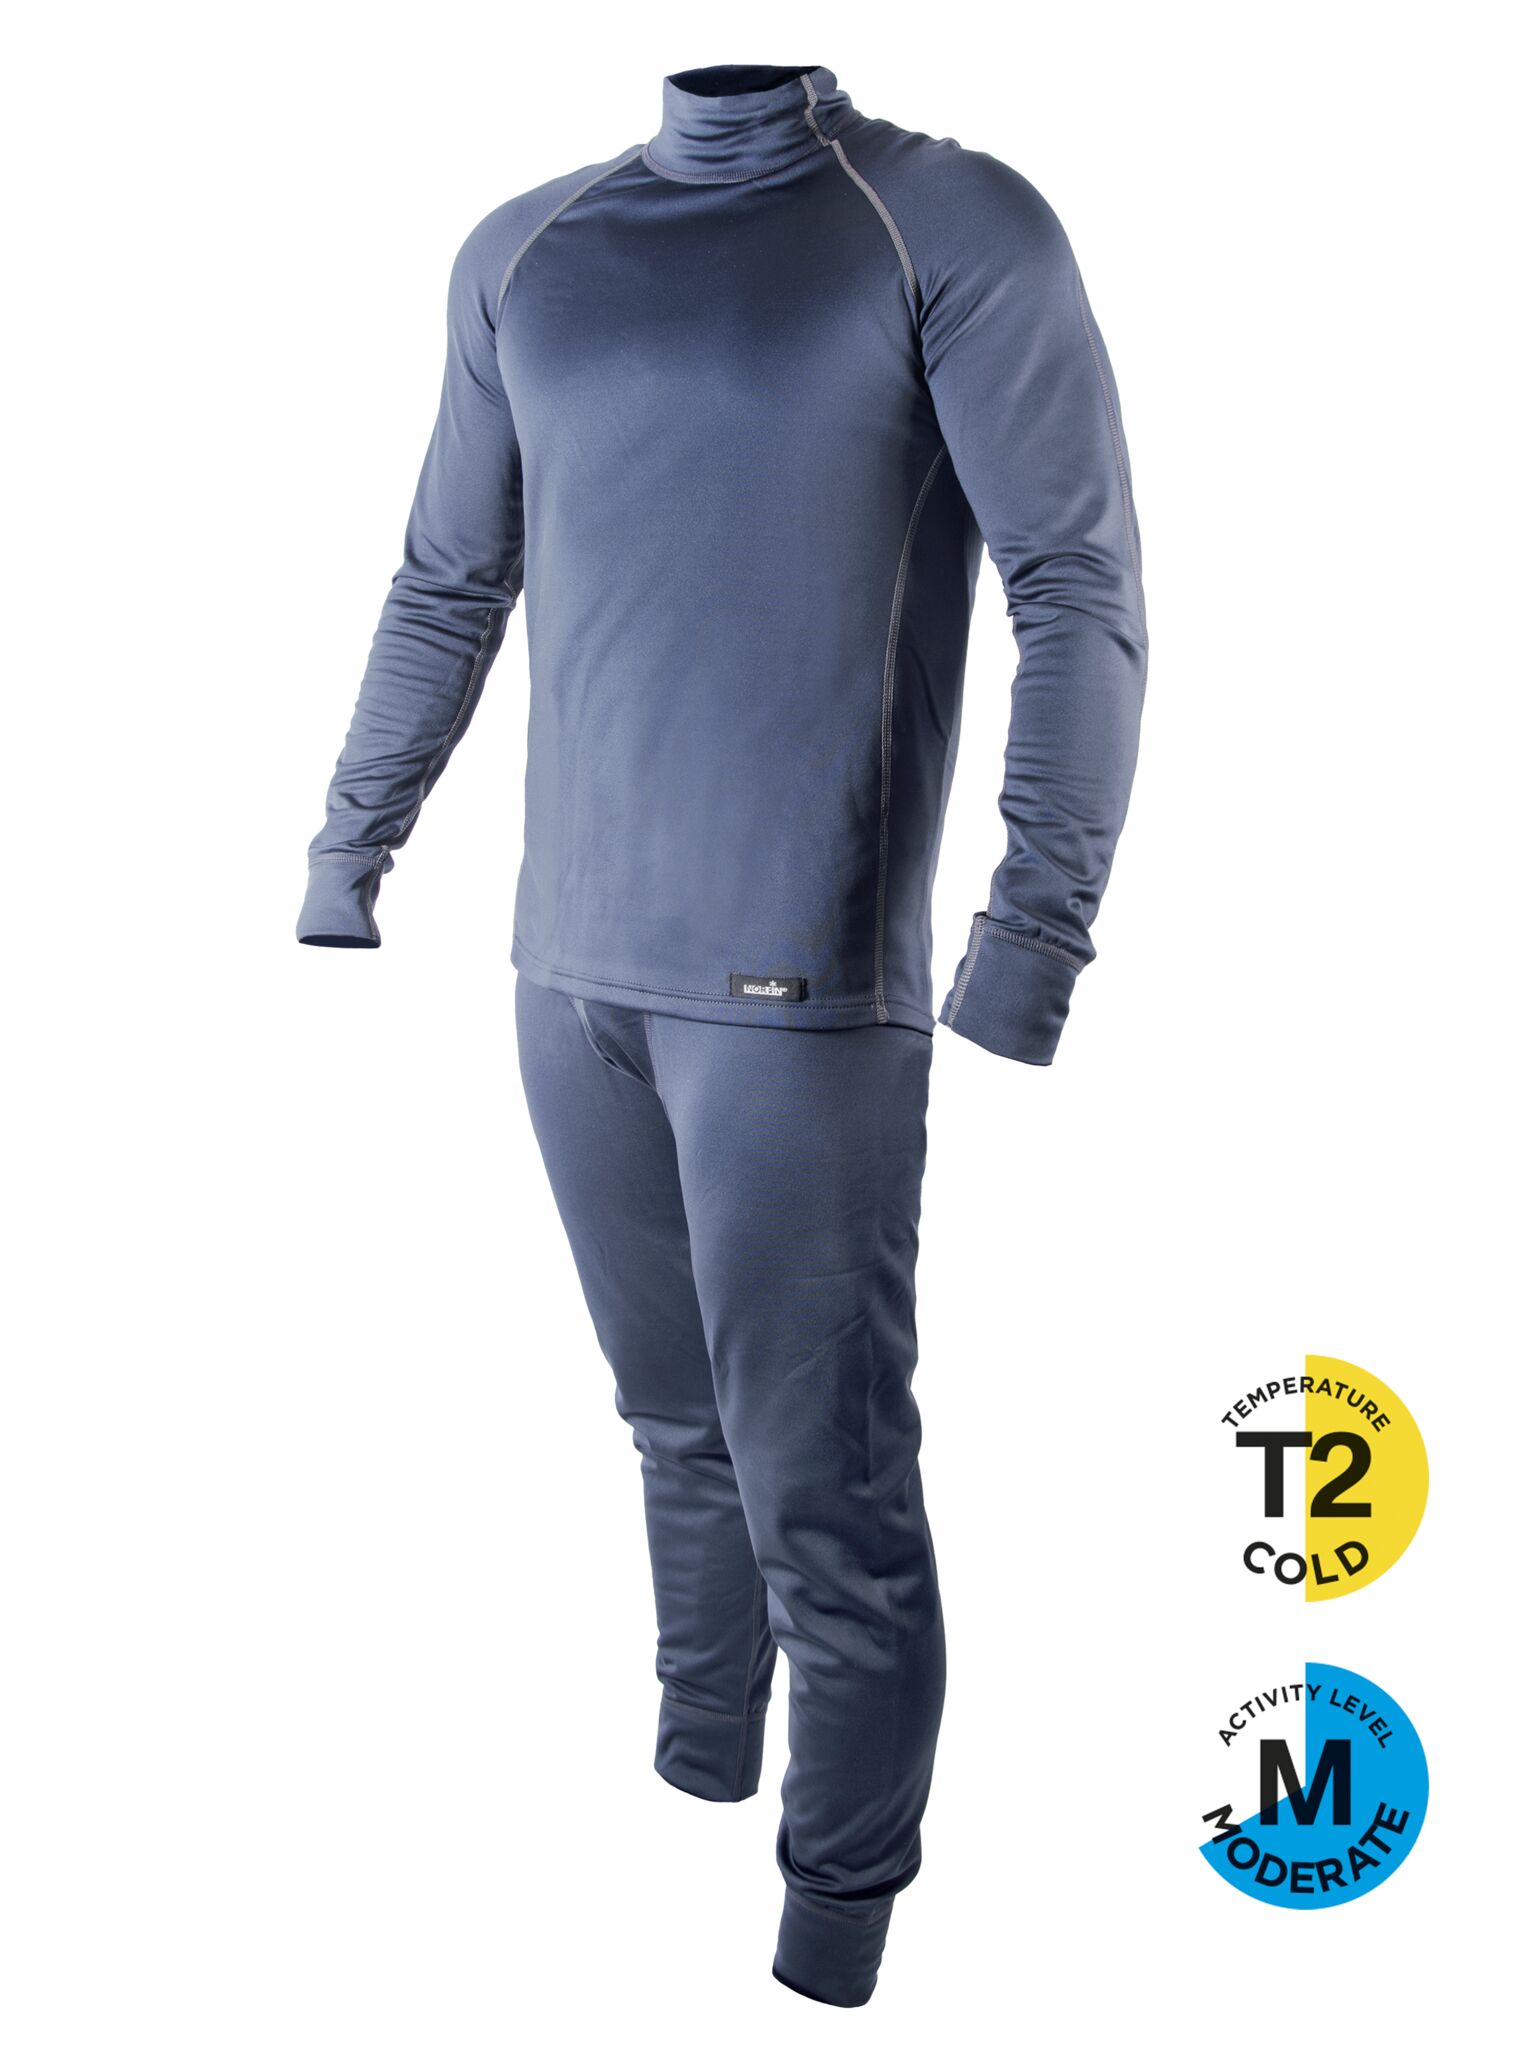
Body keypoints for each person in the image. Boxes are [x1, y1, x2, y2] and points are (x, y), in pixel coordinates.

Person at [297, 63, 1147, 2006]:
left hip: (800, 989)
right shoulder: (527, 248)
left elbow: (1078, 588)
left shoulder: (950, 223)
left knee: (824, 1488)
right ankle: (695, 1767)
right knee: (669, 1426)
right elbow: (448, 580)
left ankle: (833, 1923)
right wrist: (352, 844)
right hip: (567, 971)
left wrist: (1032, 934)